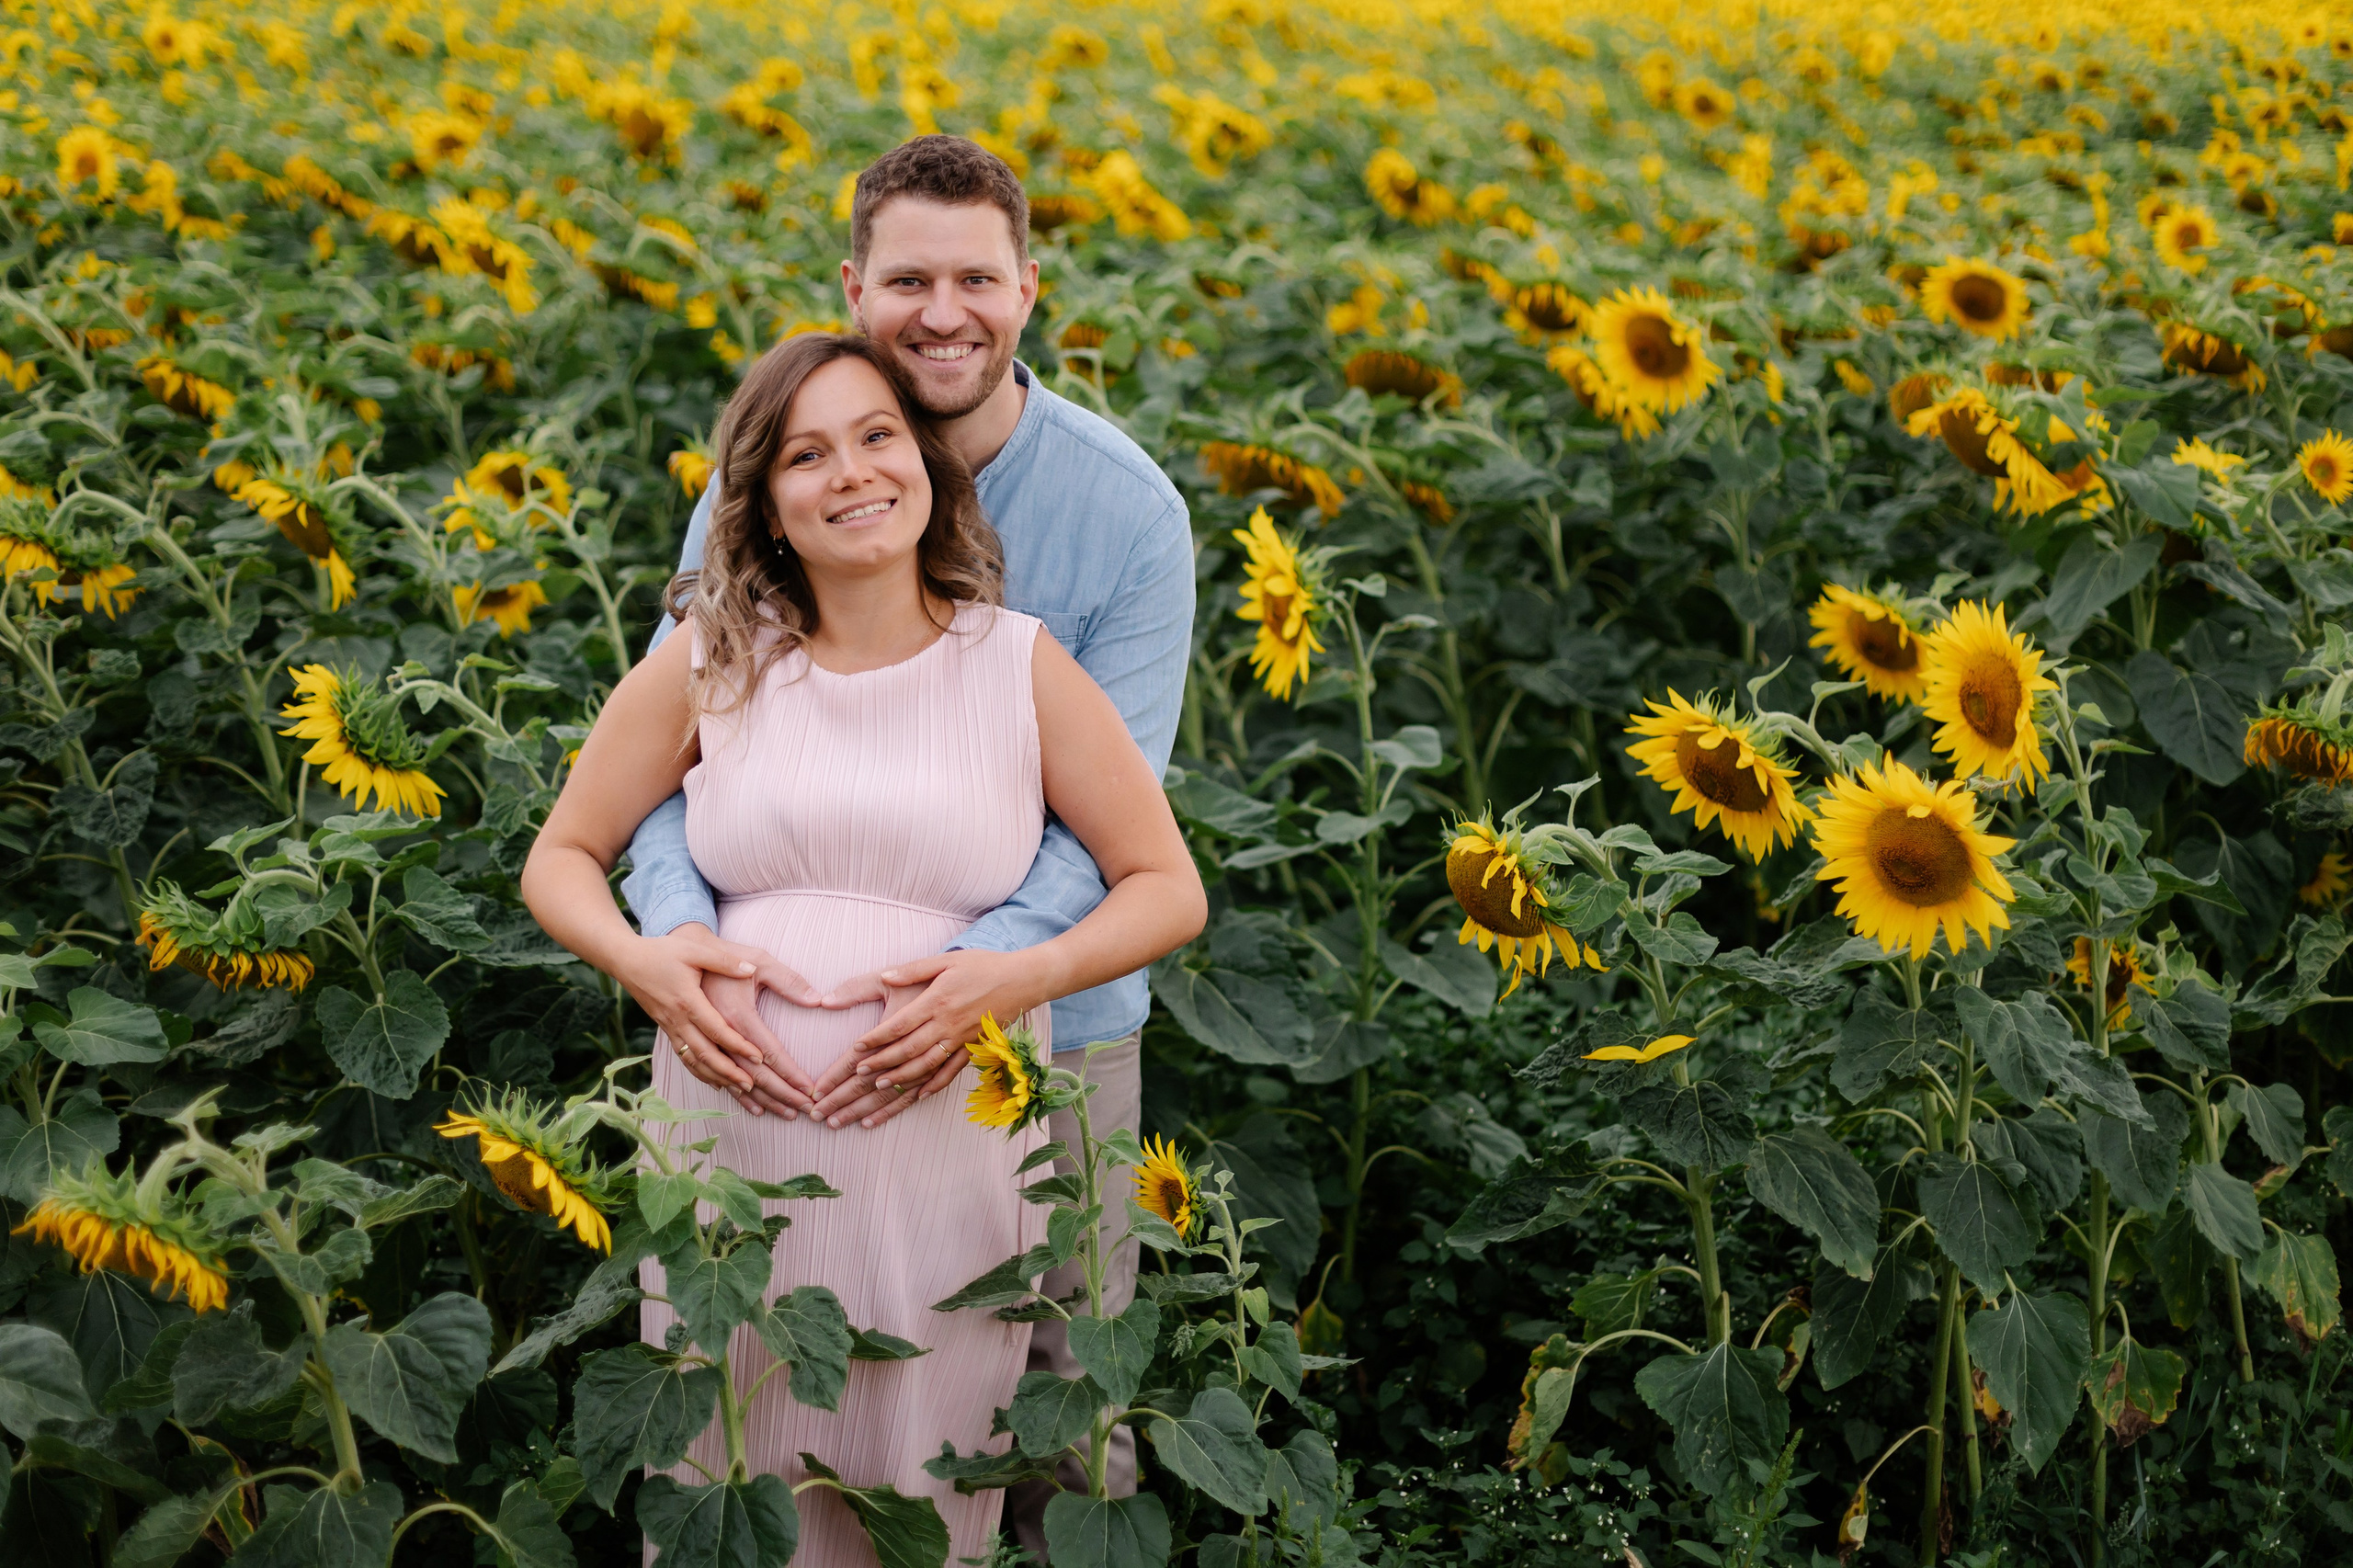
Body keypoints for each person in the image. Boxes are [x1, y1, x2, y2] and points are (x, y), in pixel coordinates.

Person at [521, 330, 1205, 1563]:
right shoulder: (712, 660)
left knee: (921, 1477)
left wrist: (1018, 975)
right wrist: (646, 961)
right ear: (767, 503)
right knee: (730, 1466)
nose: (851, 473)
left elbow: (1166, 887)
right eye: (807, 453)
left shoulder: (1020, 664)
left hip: (949, 1144)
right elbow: (561, 855)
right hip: (730, 1144)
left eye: (878, 435)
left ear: (929, 463)